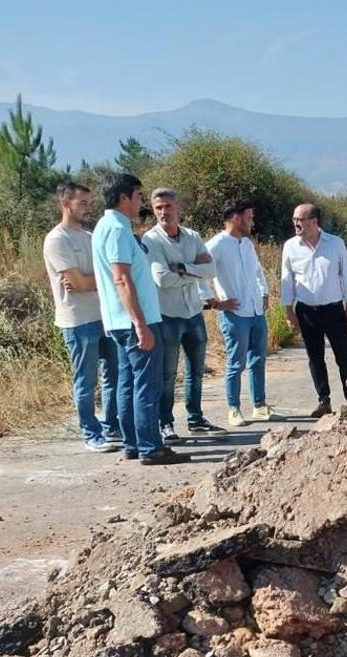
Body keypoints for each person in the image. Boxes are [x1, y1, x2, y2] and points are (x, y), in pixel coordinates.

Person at [91, 172, 190, 466]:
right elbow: (121, 279)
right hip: (134, 321)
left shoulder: (108, 226)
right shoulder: (117, 229)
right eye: (137, 196)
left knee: (129, 383)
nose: (140, 203)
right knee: (147, 385)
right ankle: (150, 447)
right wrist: (140, 323)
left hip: (122, 321)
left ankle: (134, 443)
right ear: (124, 197)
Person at [42, 181, 121, 452]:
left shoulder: (89, 236)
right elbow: (80, 283)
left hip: (104, 316)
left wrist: (90, 280)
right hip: (77, 320)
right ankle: (90, 432)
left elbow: (101, 277)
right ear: (65, 202)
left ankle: (112, 426)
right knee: (86, 380)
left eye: (89, 202)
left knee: (115, 374)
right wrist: (96, 280)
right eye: (82, 203)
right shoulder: (57, 239)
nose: (88, 208)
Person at [142, 188, 225, 440]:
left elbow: (211, 270)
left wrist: (181, 267)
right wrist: (193, 271)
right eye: (158, 207)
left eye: (167, 206)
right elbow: (162, 279)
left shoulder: (192, 236)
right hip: (168, 314)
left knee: (196, 371)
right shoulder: (151, 240)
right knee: (167, 374)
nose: (163, 212)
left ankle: (195, 418)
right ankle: (165, 423)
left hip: (193, 311)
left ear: (177, 207)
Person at [281, 203, 347, 417]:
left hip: (334, 310)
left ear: (314, 222)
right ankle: (324, 400)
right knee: (315, 358)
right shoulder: (290, 246)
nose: (296, 223)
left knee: (344, 356)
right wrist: (288, 311)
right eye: (294, 219)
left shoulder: (335, 243)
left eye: (300, 219)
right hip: (306, 312)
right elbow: (287, 280)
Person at [206, 200, 272, 427]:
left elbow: (257, 270)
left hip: (256, 311)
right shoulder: (216, 244)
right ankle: (233, 409)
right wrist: (213, 302)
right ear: (236, 218)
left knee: (258, 360)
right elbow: (199, 273)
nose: (252, 222)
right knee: (236, 363)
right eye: (249, 217)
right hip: (235, 314)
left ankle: (259, 406)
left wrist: (264, 292)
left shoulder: (247, 244)